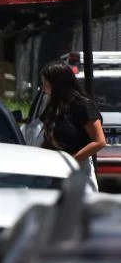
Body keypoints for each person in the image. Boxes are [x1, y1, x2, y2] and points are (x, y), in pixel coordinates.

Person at [39, 60, 106, 191]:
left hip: (79, 171)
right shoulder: (54, 106)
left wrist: (71, 160)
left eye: (45, 82)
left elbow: (100, 142)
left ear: (57, 83)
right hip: (54, 170)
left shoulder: (83, 106)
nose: (43, 87)